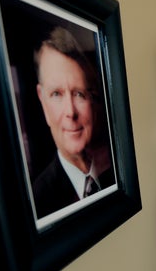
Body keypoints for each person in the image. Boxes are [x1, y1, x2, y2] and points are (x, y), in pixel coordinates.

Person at [32, 26, 114, 219]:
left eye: (79, 94)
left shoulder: (115, 170)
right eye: (56, 94)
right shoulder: (38, 201)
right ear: (42, 100)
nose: (70, 112)